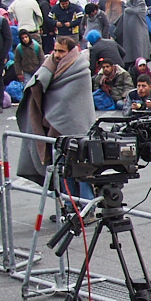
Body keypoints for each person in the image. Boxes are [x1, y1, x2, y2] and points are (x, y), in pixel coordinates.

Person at [16, 35, 95, 188]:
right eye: (55, 50)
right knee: (62, 174)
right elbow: (38, 84)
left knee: (80, 173)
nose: (57, 55)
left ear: (71, 52)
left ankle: (86, 208)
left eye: (61, 51)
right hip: (54, 135)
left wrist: (53, 119)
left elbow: (68, 102)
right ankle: (67, 208)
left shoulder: (81, 71)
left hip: (75, 132)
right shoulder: (51, 65)